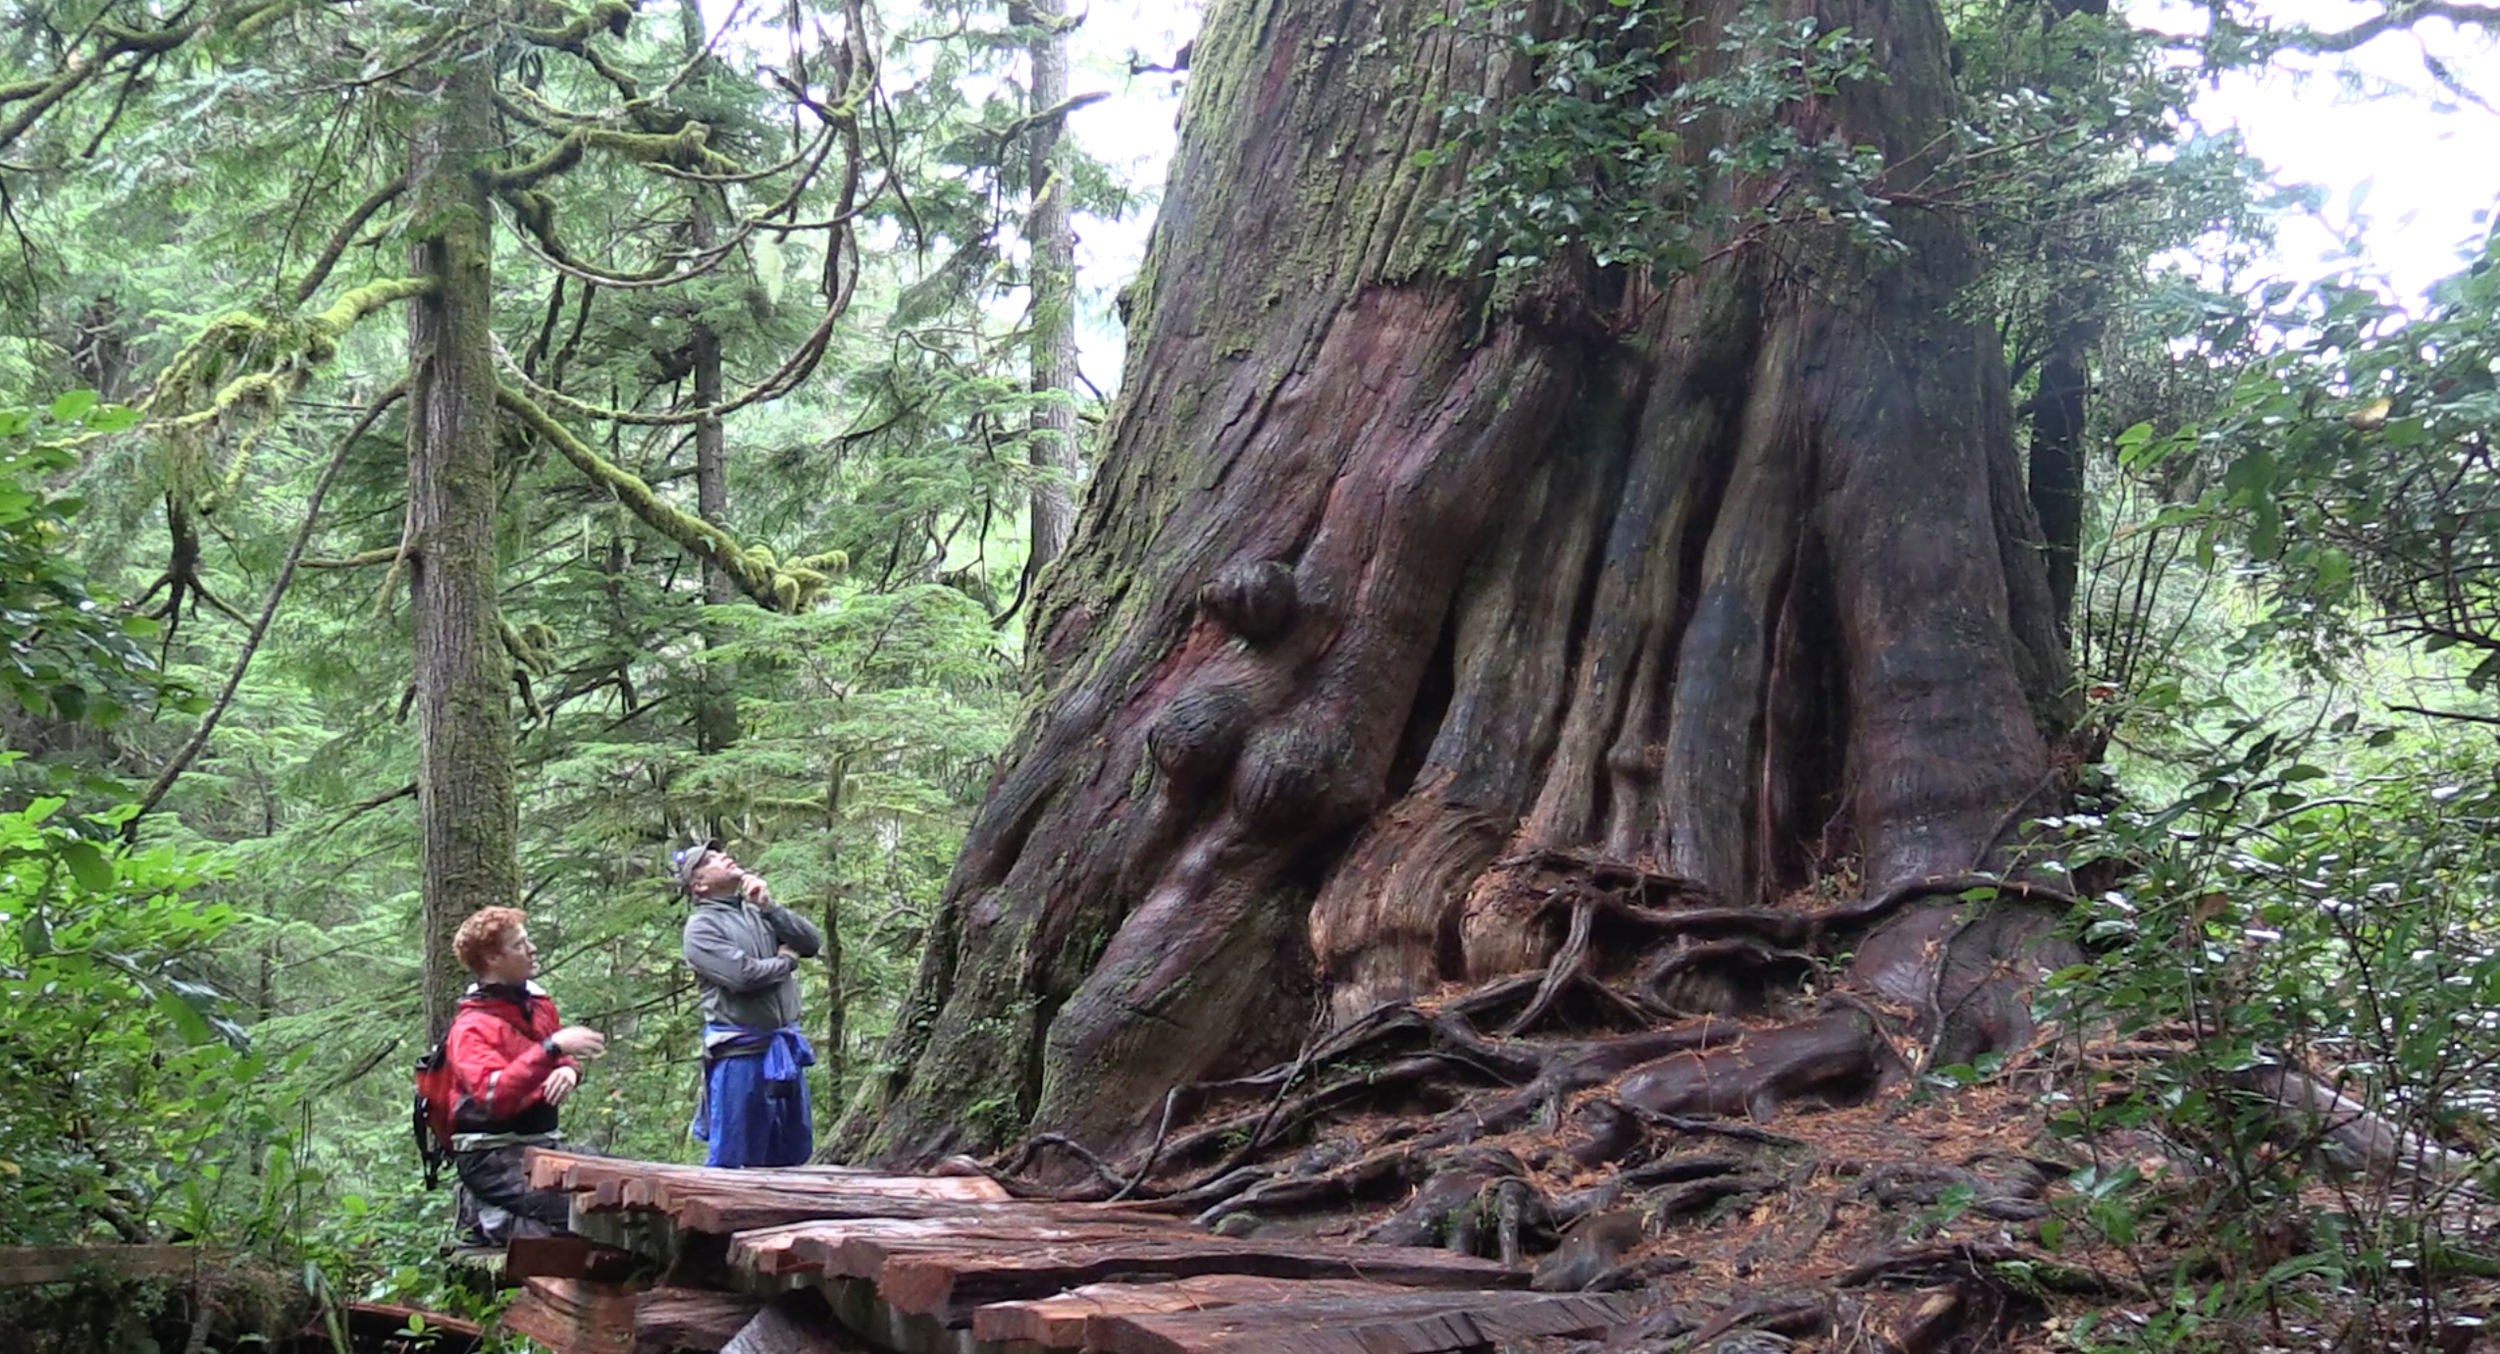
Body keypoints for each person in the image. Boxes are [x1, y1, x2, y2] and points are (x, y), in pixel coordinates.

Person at [445, 906, 606, 1242]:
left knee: (625, 1188)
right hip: (492, 1157)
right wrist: (552, 1049)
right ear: (492, 959)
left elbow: (557, 1058)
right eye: (519, 945)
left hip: (544, 1146)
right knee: (585, 1215)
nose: (531, 949)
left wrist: (568, 1070)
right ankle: (486, 1219)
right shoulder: (471, 1028)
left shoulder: (536, 1004)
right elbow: (494, 1096)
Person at [674, 839, 823, 1168]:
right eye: (711, 859)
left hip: (784, 1053)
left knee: (793, 1154)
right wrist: (786, 962)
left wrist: (772, 909)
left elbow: (810, 942)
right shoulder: (701, 927)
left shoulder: (757, 911)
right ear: (699, 884)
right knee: (735, 1160)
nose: (724, 857)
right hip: (740, 1058)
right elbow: (743, 975)